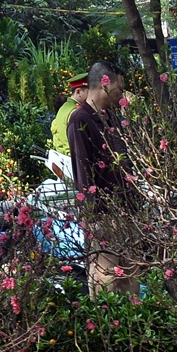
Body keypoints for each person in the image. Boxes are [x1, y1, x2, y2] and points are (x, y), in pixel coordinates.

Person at [68, 60, 128, 294]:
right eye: (120, 88)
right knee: (106, 281)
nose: (122, 94)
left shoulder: (113, 118)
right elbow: (83, 172)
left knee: (130, 280)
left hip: (127, 212)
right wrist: (92, 218)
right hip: (103, 216)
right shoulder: (80, 120)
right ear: (105, 84)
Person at [47, 73, 87, 181]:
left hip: (65, 164)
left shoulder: (64, 109)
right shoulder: (75, 113)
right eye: (89, 92)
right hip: (75, 166)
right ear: (78, 92)